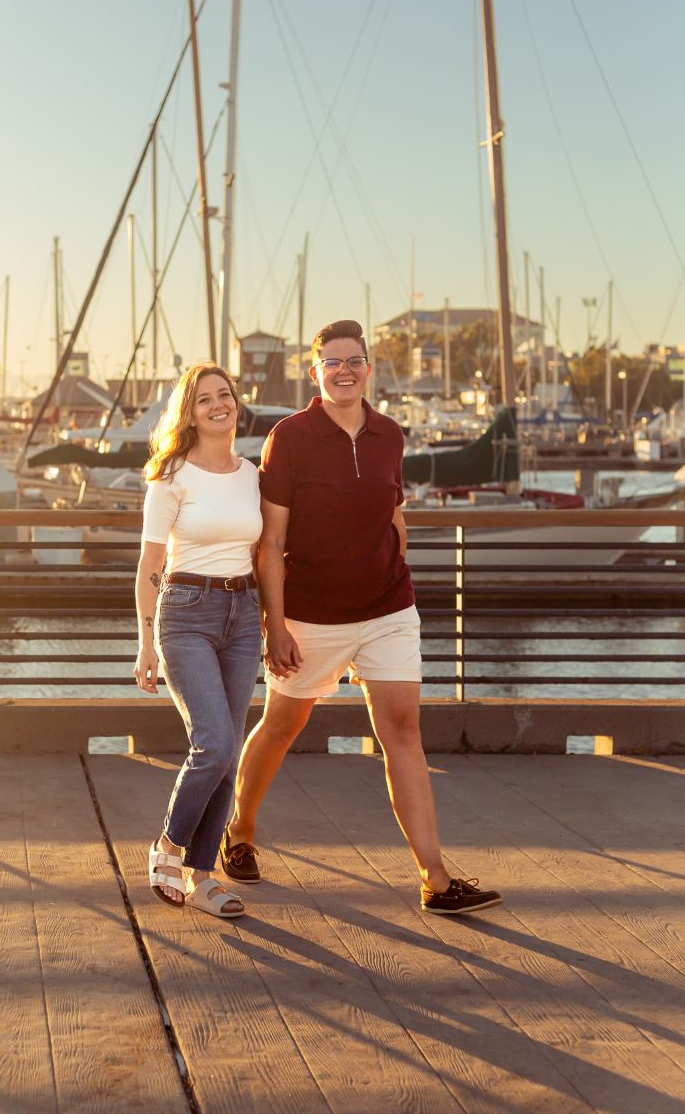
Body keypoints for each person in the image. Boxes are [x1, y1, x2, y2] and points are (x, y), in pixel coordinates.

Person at [220, 320, 502, 916]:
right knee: (282, 725)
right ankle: (239, 830)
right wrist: (276, 624)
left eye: (354, 360)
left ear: (369, 367)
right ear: (315, 370)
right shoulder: (289, 438)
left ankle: (436, 878)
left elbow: (393, 512)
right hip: (312, 615)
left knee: (402, 732)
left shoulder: (390, 435)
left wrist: (394, 565)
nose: (343, 370)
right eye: (332, 362)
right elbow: (270, 544)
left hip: (388, 609)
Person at [134, 363, 263, 919]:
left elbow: (264, 552)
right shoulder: (170, 475)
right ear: (189, 412)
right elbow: (148, 565)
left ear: (237, 403)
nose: (219, 405)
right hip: (185, 613)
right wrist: (144, 644)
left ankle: (203, 879)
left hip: (245, 612)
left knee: (230, 752)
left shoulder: (252, 474)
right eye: (205, 398)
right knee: (213, 743)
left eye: (225, 395)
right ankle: (168, 845)